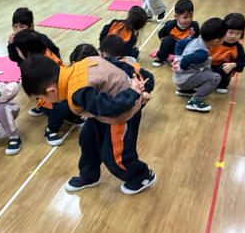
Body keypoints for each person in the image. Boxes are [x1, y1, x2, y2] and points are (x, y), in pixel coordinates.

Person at [21, 52, 156, 195]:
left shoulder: (77, 92)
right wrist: (132, 73)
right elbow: (110, 60)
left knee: (115, 156)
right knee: (87, 139)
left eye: (41, 98)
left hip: (121, 113)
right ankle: (89, 176)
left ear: (51, 91)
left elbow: (111, 107)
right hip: (104, 109)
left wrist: (133, 92)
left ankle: (142, 177)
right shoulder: (80, 65)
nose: (42, 101)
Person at [11, 29, 83, 144]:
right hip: (48, 94)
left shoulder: (40, 62)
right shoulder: (36, 58)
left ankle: (59, 122)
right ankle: (50, 123)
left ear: (27, 52)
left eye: (18, 50)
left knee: (67, 104)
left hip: (56, 91)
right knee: (62, 106)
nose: (17, 53)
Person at [173, 18, 226, 113]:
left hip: (180, 77)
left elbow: (179, 43)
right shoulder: (202, 53)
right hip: (184, 80)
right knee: (215, 78)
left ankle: (184, 90)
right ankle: (195, 101)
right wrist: (180, 66)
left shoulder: (196, 40)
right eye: (224, 37)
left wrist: (177, 58)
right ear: (216, 41)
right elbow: (186, 59)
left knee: (207, 70)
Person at [151, 0, 199, 67]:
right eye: (185, 17)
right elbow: (161, 34)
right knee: (167, 40)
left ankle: (186, 59)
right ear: (176, 16)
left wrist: (193, 37)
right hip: (173, 47)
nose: (188, 20)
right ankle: (161, 57)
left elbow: (197, 37)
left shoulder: (194, 25)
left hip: (185, 48)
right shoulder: (171, 25)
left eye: (190, 16)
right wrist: (163, 41)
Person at [211, 12, 245, 93]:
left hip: (224, 68)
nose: (234, 36)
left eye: (238, 33)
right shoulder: (215, 41)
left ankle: (222, 85)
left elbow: (244, 61)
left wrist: (233, 64)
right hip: (209, 65)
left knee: (225, 68)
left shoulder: (237, 47)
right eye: (231, 32)